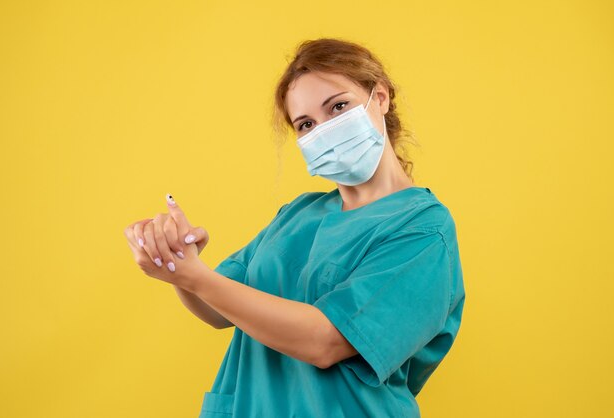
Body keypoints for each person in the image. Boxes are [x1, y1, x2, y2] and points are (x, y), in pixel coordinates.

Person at [124, 38, 465, 418]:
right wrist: (179, 264)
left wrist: (195, 277)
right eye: (306, 124)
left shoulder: (422, 229)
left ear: (380, 97)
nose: (325, 130)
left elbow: (325, 342)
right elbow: (218, 310)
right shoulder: (298, 214)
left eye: (338, 106)